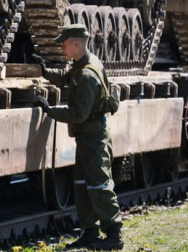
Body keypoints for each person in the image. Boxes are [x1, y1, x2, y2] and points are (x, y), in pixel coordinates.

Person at [32, 24, 123, 251]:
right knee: (82, 185)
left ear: (76, 43)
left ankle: (114, 235)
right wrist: (45, 72)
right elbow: (67, 78)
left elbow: (78, 114)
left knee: (100, 185)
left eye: (64, 43)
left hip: (93, 136)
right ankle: (90, 233)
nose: (62, 47)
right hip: (86, 137)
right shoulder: (84, 64)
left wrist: (49, 110)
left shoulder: (87, 75)